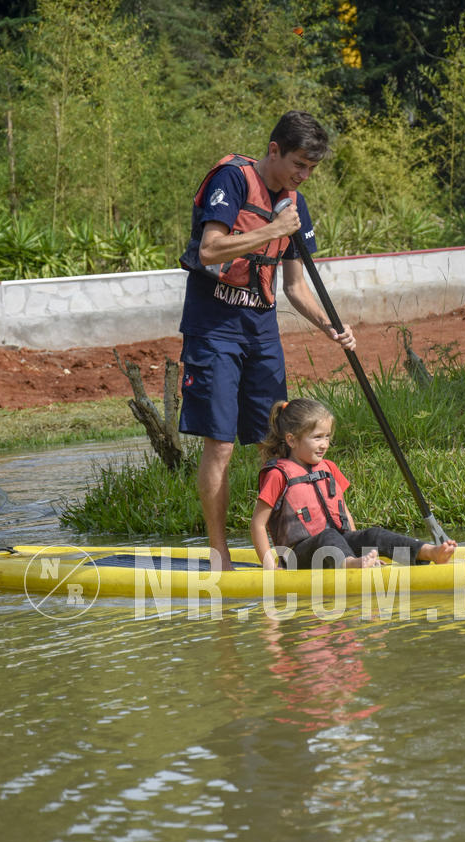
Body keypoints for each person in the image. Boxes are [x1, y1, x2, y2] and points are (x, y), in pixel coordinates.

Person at [178, 110, 356, 570]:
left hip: (261, 326)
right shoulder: (232, 180)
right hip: (214, 323)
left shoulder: (295, 203)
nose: (303, 176)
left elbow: (296, 287)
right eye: (298, 164)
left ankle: (284, 547)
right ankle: (219, 556)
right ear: (274, 150)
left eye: (311, 169)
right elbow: (210, 249)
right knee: (219, 442)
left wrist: (331, 326)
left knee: (276, 439)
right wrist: (273, 229)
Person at [251, 398, 458, 570]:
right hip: (298, 558)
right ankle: (351, 564)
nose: (324, 444)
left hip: (335, 548)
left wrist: (359, 545)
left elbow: (345, 513)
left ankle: (429, 552)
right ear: (292, 440)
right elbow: (258, 524)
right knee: (329, 536)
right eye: (316, 438)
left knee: (373, 534)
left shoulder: (328, 468)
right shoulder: (278, 475)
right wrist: (270, 566)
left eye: (327, 437)